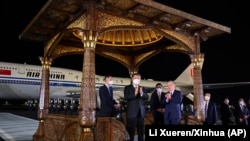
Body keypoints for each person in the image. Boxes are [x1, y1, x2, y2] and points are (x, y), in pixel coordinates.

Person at [124, 73, 149, 141]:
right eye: (135, 78)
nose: (137, 79)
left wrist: (141, 93)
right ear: (132, 79)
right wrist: (134, 94)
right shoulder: (127, 88)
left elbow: (146, 97)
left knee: (141, 131)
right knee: (130, 131)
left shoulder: (142, 88)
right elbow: (126, 97)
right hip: (132, 113)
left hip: (141, 113)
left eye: (139, 78)